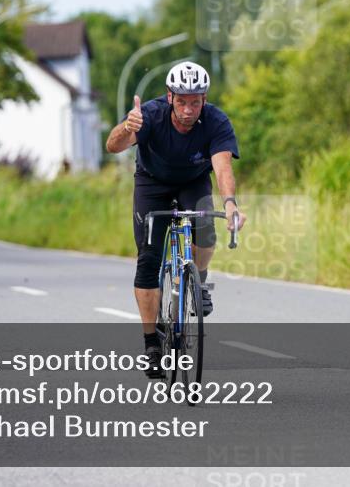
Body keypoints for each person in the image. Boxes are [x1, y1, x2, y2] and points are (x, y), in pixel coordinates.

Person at [105, 61, 246, 378]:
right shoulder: (150, 115)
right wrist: (128, 127)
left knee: (206, 229)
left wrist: (231, 204)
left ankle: (200, 278)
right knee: (149, 259)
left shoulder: (215, 122)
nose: (188, 109)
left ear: (204, 100)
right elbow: (112, 146)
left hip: (192, 181)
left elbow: (222, 168)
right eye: (182, 101)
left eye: (195, 102)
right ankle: (151, 342)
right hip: (151, 183)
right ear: (170, 97)